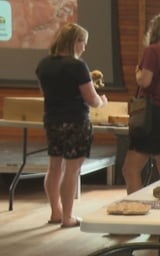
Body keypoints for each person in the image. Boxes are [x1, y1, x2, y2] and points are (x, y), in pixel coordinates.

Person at [36, 23, 108, 228]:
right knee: (72, 170)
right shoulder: (78, 66)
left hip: (52, 120)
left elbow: (44, 93)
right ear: (75, 41)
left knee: (54, 167)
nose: (84, 47)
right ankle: (68, 217)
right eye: (83, 42)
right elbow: (91, 99)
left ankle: (56, 212)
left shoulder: (44, 64)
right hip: (76, 121)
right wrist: (102, 101)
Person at [122, 11, 160, 194]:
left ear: (154, 30)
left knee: (130, 169)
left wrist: (137, 73)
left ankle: (136, 208)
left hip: (153, 116)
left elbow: (145, 81)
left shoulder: (153, 50)